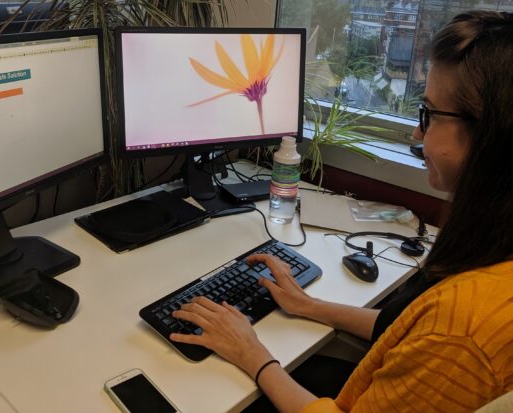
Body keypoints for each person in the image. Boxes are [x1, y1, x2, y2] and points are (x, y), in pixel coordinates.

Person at [170, 11, 513, 412]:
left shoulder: (463, 331)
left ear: (493, 134)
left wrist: (252, 354)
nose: (418, 134)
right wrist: (308, 306)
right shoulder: (492, 256)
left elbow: (435, 335)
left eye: (429, 113)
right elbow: (405, 329)